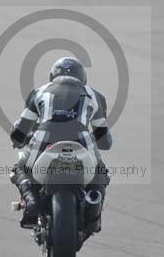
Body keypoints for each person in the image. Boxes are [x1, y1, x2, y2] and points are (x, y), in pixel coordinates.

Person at [9, 57, 112, 229]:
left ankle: (31, 199)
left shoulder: (39, 92)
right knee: (100, 171)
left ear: (52, 75)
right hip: (82, 141)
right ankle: (93, 205)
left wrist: (19, 140)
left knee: (21, 168)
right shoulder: (95, 95)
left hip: (43, 139)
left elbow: (19, 132)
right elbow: (105, 142)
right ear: (83, 77)